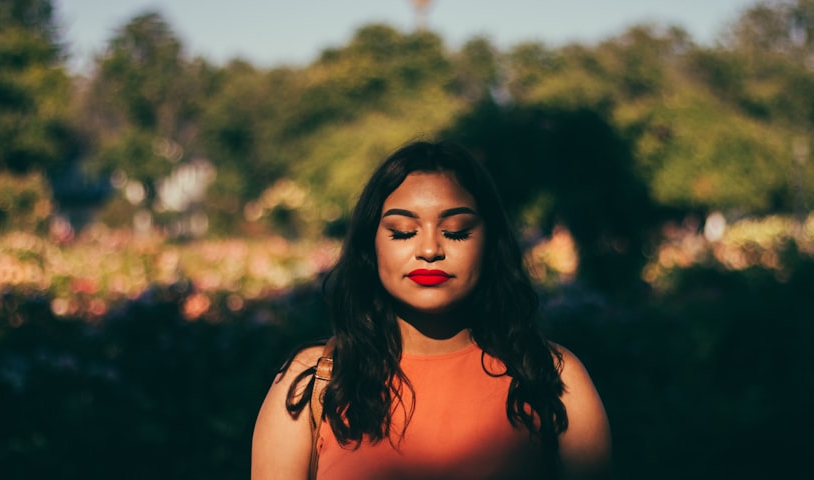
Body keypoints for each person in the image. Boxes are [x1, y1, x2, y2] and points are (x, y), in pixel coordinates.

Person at [252, 140, 611, 479]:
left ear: (491, 245)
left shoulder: (552, 376)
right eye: (403, 232)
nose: (429, 250)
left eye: (455, 231)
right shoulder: (314, 381)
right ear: (370, 245)